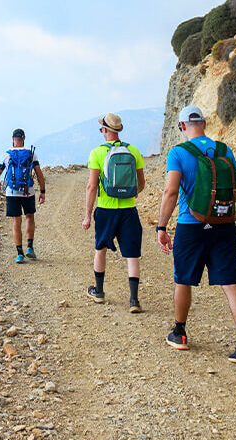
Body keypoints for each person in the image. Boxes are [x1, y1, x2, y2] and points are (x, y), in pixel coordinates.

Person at [156, 105, 236, 365]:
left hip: (191, 226)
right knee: (231, 282)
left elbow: (170, 192)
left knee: (184, 280)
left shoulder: (178, 153)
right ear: (205, 123)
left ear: (181, 127)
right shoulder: (224, 150)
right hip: (224, 223)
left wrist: (161, 227)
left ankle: (179, 333)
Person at [81, 113, 146, 313]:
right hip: (128, 211)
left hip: (106, 210)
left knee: (100, 248)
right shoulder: (133, 151)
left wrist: (87, 215)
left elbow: (92, 187)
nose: (101, 131)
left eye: (102, 128)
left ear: (107, 131)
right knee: (132, 254)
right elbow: (141, 184)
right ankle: (134, 300)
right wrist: (127, 195)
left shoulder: (97, 153)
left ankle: (99, 291)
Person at [0, 128, 46, 263]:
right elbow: (39, 174)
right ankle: (30, 248)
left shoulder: (7, 154)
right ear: (24, 138)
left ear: (13, 139)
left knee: (16, 222)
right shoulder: (31, 154)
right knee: (29, 217)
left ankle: (19, 254)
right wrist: (42, 191)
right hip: (28, 192)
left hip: (12, 193)